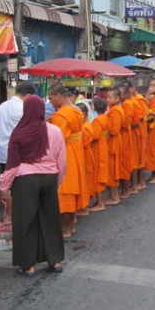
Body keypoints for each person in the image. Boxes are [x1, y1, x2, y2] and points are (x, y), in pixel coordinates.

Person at [0, 95, 66, 277]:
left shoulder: (19, 132)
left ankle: (27, 265)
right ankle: (55, 260)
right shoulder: (55, 131)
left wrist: (4, 186)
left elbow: (12, 164)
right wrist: (58, 180)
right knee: (50, 219)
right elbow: (62, 161)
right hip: (49, 177)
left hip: (26, 179)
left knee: (24, 221)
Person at [47, 83, 86, 238]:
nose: (50, 102)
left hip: (67, 152)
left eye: (51, 98)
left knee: (65, 190)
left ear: (58, 96)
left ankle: (66, 228)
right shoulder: (76, 110)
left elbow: (58, 139)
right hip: (77, 151)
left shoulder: (61, 115)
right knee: (73, 187)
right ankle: (71, 224)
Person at [0, 82, 36, 224]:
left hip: (3, 151)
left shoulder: (3, 106)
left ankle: (7, 215)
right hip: (17, 153)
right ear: (29, 96)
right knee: (16, 186)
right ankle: (10, 216)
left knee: (6, 184)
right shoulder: (23, 108)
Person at [89, 97, 109, 212]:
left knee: (98, 174)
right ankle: (98, 201)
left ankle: (100, 203)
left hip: (98, 148)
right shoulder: (105, 118)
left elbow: (95, 136)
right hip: (104, 146)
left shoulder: (97, 120)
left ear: (95, 108)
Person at [105, 87, 124, 204]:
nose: (107, 99)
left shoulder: (116, 111)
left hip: (114, 141)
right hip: (113, 141)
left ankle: (114, 197)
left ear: (117, 99)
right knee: (111, 168)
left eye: (110, 97)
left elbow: (114, 130)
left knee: (113, 169)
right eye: (107, 97)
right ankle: (113, 196)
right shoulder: (113, 109)